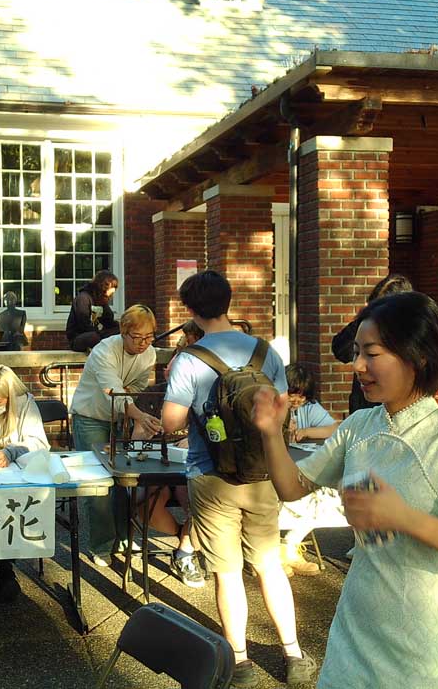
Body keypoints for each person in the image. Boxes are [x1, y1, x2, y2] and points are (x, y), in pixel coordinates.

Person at [255, 291, 438, 689]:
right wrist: (271, 433)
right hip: (354, 627)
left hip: (421, 642)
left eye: (372, 353)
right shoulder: (359, 425)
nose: (358, 365)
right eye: (357, 352)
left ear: (419, 356)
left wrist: (404, 517)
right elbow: (293, 487)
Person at [162, 270, 316, 689]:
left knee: (227, 573)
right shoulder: (266, 352)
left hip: (211, 476)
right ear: (229, 302)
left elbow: (172, 421)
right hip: (264, 473)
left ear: (190, 310)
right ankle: (294, 654)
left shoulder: (189, 359)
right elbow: (281, 413)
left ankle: (243, 663)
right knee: (268, 564)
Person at [70, 304, 161, 566]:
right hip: (90, 418)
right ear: (123, 331)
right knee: (97, 484)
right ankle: (101, 544)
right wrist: (137, 414)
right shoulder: (104, 350)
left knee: (123, 480)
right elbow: (113, 391)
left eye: (149, 336)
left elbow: (138, 386)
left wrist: (128, 403)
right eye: (138, 337)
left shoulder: (150, 354)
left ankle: (122, 537)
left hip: (119, 418)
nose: (144, 343)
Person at [0, 364, 51, 601]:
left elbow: (38, 444)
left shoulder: (25, 404)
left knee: (5, 509)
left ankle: (5, 569)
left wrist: (11, 451)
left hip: (17, 477)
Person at [277, 362, 340, 577]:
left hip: (303, 468)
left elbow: (334, 428)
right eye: (292, 394)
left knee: (323, 498)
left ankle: (289, 544)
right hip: (277, 471)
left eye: (302, 396)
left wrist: (306, 431)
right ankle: (270, 550)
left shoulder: (309, 408)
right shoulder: (275, 407)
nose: (296, 401)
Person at [331, 273, 413, 415]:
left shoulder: (411, 338)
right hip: (364, 408)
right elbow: (340, 351)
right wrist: (362, 320)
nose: (358, 366)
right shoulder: (365, 328)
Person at [66, 270, 120, 352]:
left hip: (97, 335)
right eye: (112, 286)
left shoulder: (101, 300)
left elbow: (109, 322)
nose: (113, 290)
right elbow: (84, 325)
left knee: (120, 330)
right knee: (93, 337)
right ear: (102, 285)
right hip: (79, 338)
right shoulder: (83, 298)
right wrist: (102, 334)